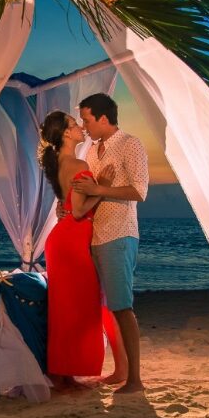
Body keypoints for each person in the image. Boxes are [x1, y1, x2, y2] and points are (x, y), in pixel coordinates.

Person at [39, 111, 122, 389]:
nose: (80, 128)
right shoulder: (77, 164)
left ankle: (64, 372)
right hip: (72, 241)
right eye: (75, 125)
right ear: (65, 133)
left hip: (61, 241)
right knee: (81, 307)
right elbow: (77, 211)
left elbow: (65, 205)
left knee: (65, 309)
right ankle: (67, 371)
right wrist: (103, 188)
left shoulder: (60, 163)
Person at [74, 93, 148, 394]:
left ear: (103, 118)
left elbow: (139, 191)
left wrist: (100, 189)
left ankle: (135, 380)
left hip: (119, 234)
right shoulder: (92, 151)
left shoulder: (131, 144)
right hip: (96, 235)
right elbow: (91, 193)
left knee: (122, 306)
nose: (84, 126)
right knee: (109, 307)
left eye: (87, 120)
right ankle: (120, 371)